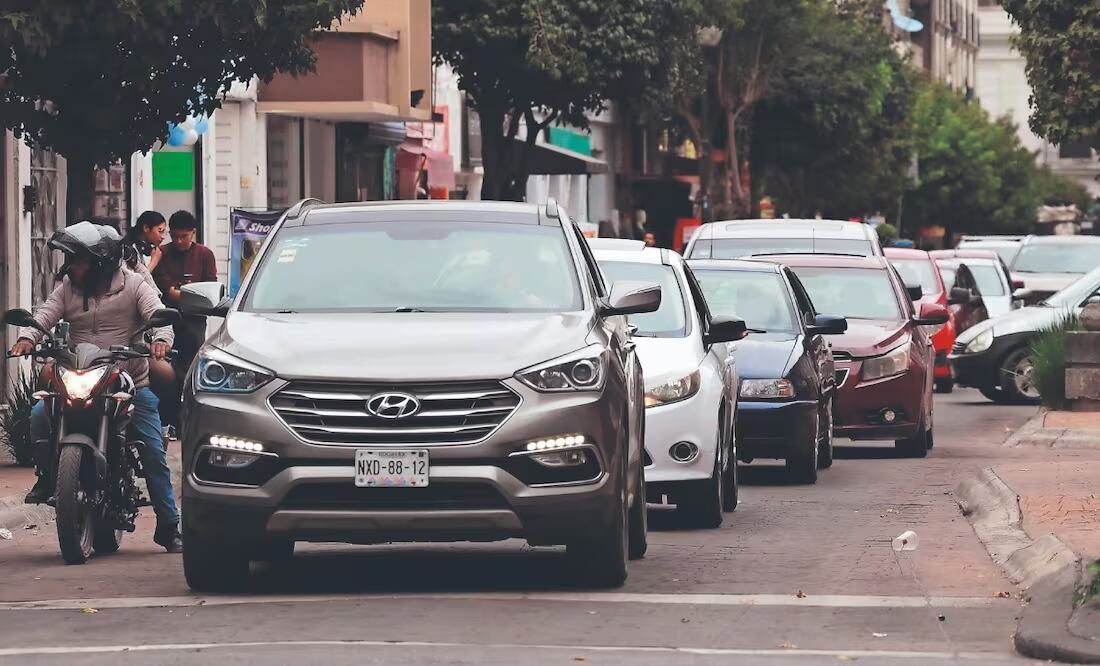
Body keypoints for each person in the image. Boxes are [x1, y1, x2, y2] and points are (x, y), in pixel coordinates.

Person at [8, 221, 182, 552]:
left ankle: (169, 524)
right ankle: (47, 476)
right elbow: (44, 315)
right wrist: (28, 337)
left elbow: (158, 314)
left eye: (79, 260)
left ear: (101, 262)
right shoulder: (68, 288)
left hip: (128, 380)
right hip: (79, 373)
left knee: (152, 449)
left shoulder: (134, 285)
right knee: (39, 415)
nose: (72, 266)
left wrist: (161, 338)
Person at [153, 211, 217, 428]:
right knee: (165, 371)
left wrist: (179, 292)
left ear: (193, 233)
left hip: (194, 321)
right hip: (167, 320)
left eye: (184, 236)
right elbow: (165, 290)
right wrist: (187, 292)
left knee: (190, 370)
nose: (179, 241)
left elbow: (210, 289)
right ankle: (168, 421)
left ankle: (187, 422)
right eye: (175, 236)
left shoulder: (205, 255)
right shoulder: (162, 253)